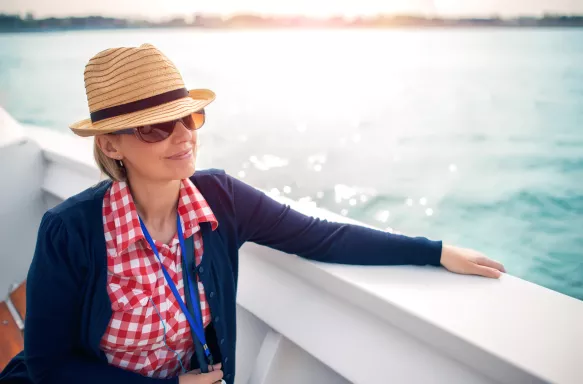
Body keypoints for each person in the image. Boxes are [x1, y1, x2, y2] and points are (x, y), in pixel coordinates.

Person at [0, 43, 505, 384]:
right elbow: (48, 364)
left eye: (187, 117)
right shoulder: (71, 229)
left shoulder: (221, 198)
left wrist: (435, 251)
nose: (183, 136)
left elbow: (321, 237)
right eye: (155, 128)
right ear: (112, 144)